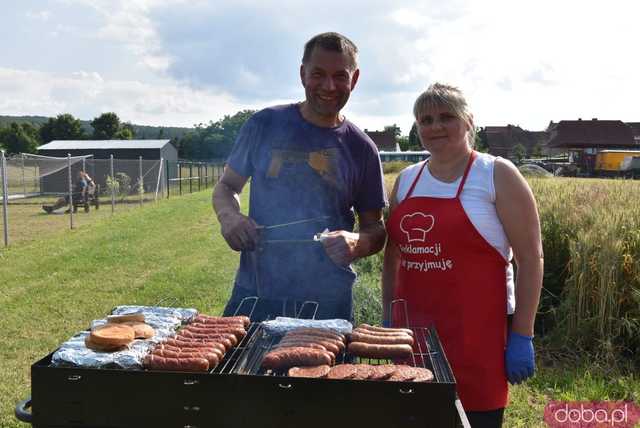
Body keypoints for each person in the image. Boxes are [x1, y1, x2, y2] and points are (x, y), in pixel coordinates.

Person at [382, 83, 543, 428]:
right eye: (425, 120)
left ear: (468, 121)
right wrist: (387, 315)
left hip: (477, 337)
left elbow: (530, 259)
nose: (435, 126)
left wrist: (522, 334)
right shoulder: (407, 180)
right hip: (415, 334)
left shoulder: (495, 174)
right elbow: (392, 254)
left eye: (446, 117)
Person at [213, 32, 387, 321]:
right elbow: (227, 187)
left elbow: (376, 229)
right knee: (237, 365)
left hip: (328, 301)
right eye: (318, 74)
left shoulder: (362, 148)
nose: (329, 86)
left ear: (354, 80)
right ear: (303, 74)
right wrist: (229, 218)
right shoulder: (264, 124)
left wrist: (357, 242)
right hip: (256, 290)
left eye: (340, 76)